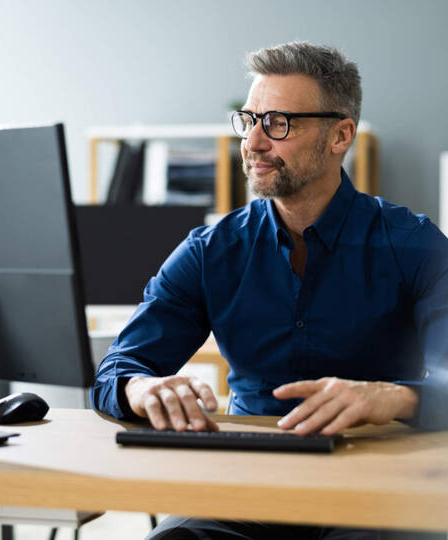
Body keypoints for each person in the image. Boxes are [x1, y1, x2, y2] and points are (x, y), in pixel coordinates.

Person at [90, 42, 448, 539]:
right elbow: (116, 372)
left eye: (279, 123)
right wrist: (143, 387)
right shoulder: (210, 250)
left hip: (378, 484)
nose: (254, 143)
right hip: (249, 484)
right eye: (249, 120)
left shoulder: (416, 245)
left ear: (340, 135)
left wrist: (391, 399)